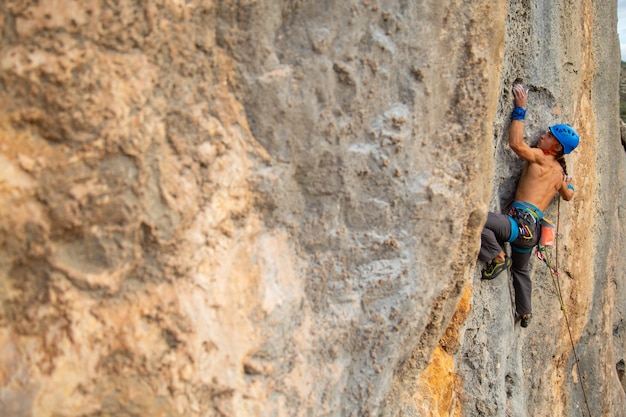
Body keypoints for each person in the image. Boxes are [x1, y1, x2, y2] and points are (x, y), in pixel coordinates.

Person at [479, 84, 580, 328]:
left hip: (518, 223)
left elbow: (515, 144)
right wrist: (572, 185)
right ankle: (525, 313)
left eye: (548, 136)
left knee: (476, 219)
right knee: (521, 272)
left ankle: (497, 256)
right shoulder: (558, 173)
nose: (542, 136)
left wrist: (520, 110)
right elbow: (568, 195)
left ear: (555, 147)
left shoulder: (540, 157)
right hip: (531, 232)